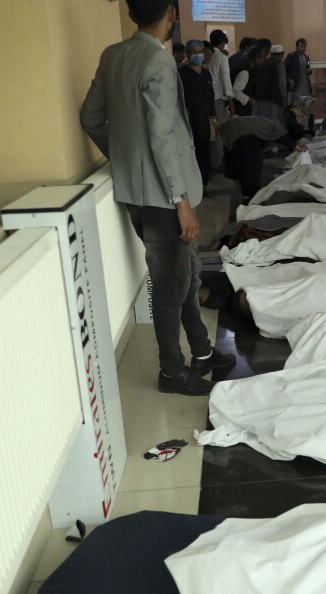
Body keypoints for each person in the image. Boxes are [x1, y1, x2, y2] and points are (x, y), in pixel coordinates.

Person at [79, 0, 234, 396]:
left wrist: (125, 159)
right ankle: (171, 372)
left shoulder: (113, 55)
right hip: (165, 198)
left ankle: (201, 351)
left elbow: (90, 117)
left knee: (183, 275)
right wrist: (181, 201)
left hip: (138, 192)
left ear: (132, 13)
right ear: (171, 13)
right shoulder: (159, 62)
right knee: (170, 287)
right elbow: (162, 136)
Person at [220, 116, 291, 207]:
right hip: (240, 132)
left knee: (242, 163)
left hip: (229, 129)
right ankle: (250, 197)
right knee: (252, 165)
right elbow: (282, 137)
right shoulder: (274, 128)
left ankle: (246, 193)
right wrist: (295, 146)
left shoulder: (262, 124)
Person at [178, 39, 216, 186]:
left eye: (200, 52)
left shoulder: (206, 74)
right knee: (189, 153)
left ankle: (203, 183)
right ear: (188, 54)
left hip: (203, 119)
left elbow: (210, 95)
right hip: (188, 119)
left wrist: (213, 115)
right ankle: (190, 184)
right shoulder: (181, 74)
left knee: (204, 152)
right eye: (194, 52)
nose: (198, 55)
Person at [250, 43, 288, 125]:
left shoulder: (263, 62)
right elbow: (282, 84)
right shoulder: (279, 64)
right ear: (282, 54)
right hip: (274, 99)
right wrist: (284, 99)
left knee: (263, 124)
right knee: (274, 124)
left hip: (260, 99)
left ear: (271, 54)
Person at [208, 30, 234, 126]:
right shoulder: (222, 57)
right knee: (223, 126)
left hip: (207, 96)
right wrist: (230, 102)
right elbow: (225, 80)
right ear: (223, 42)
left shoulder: (207, 55)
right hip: (217, 97)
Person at [230, 45, 264, 116]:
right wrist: (250, 100)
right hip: (238, 111)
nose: (262, 62)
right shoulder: (245, 71)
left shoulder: (243, 62)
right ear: (257, 59)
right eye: (262, 60)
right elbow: (236, 92)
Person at [285, 38, 313, 105]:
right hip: (296, 86)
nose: (303, 48)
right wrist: (289, 79)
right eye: (301, 46)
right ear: (297, 47)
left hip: (306, 86)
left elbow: (308, 66)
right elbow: (284, 69)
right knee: (295, 105)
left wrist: (309, 71)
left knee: (305, 105)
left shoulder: (306, 57)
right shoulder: (291, 56)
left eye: (305, 46)